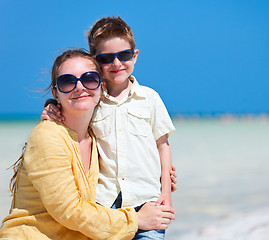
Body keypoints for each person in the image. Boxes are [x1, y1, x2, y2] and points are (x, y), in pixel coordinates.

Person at [0, 49, 175, 240]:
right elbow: (68, 210)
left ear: (101, 88)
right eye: (67, 82)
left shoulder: (95, 139)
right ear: (55, 94)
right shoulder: (47, 135)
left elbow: (126, 160)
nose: (79, 87)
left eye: (89, 79)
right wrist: (136, 220)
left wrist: (160, 174)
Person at [42, 16, 176, 239]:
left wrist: (166, 194)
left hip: (146, 199)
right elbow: (70, 125)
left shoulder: (150, 98)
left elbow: (163, 145)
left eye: (124, 55)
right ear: (95, 61)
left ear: (135, 55)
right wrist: (50, 109)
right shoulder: (91, 101)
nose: (116, 64)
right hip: (104, 202)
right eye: (106, 58)